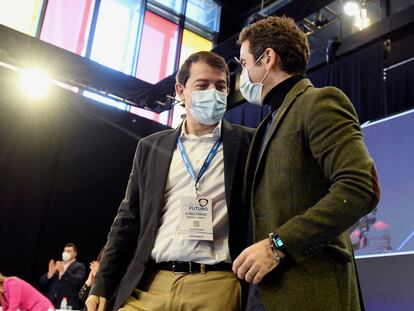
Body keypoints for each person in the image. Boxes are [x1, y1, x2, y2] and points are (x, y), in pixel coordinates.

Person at [231, 16, 381, 310]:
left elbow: (360, 187)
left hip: (310, 290)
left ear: (268, 58)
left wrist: (278, 245)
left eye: (245, 63)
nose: (243, 73)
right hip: (264, 291)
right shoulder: (266, 125)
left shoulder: (319, 102)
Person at [85, 51, 254, 311]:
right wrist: (102, 284)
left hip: (216, 285)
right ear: (180, 90)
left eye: (221, 86)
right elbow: (128, 220)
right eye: (202, 85)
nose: (214, 92)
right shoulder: (150, 147)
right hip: (149, 283)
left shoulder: (249, 143)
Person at [40, 243, 86, 309]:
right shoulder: (58, 264)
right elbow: (42, 281)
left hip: (67, 303)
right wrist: (49, 274)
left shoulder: (79, 266)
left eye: (69, 251)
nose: (65, 253)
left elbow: (78, 280)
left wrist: (64, 271)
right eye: (64, 251)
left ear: (75, 254)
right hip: (51, 301)